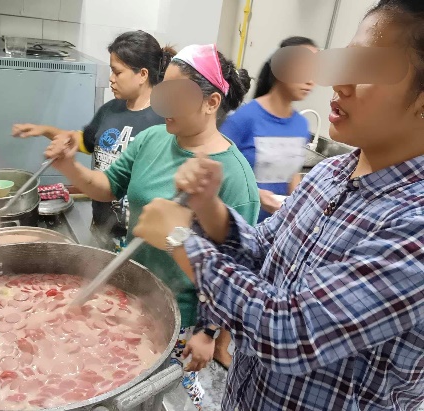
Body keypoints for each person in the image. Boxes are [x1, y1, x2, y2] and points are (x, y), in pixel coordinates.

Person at [132, 0, 424, 410]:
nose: (340, 82)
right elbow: (261, 251)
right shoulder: (330, 173)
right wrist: (211, 210)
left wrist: (180, 240)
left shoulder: (414, 221)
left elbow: (292, 330)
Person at [45, 44, 260, 409]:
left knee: (155, 396)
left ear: (211, 102)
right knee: (105, 380)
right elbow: (107, 185)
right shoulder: (153, 138)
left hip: (181, 316)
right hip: (127, 292)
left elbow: (238, 269)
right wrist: (68, 166)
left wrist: (209, 333)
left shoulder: (236, 178)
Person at [12, 30, 175, 252]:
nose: (111, 78)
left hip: (137, 240)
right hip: (101, 229)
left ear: (142, 74)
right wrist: (46, 130)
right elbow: (85, 142)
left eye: (117, 72)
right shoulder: (110, 110)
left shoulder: (163, 122)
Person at [221, 37, 318, 223]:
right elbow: (216, 171)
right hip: (239, 225)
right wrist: (255, 194)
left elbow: (292, 176)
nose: (311, 80)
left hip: (275, 228)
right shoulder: (244, 119)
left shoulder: (301, 125)